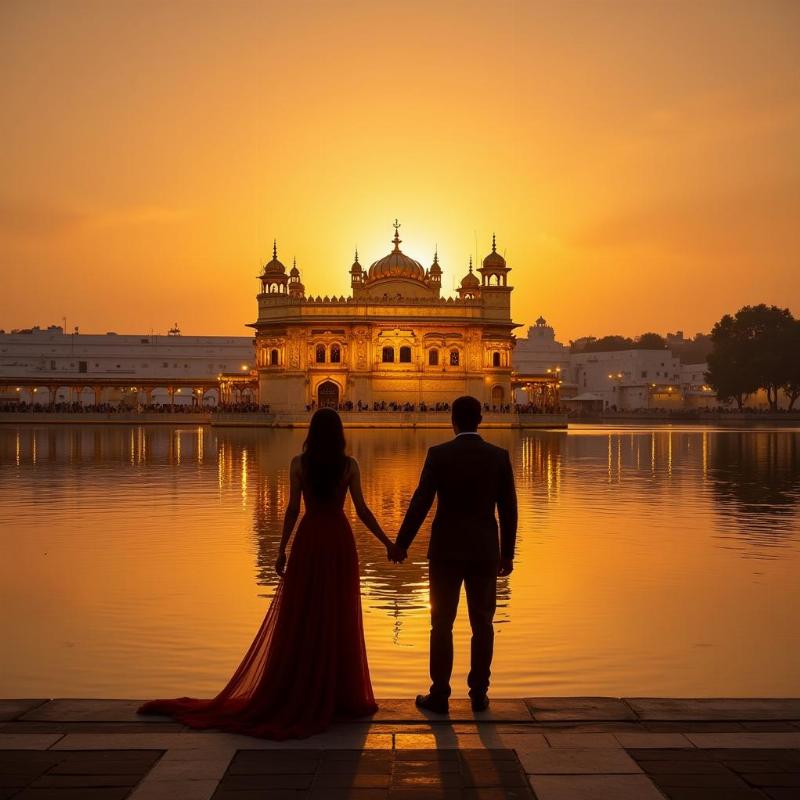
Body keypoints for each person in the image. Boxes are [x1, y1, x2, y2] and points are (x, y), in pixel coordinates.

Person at [138, 408, 396, 739]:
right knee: (337, 612)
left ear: (312, 433)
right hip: (338, 541)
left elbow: (291, 510)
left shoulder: (299, 464)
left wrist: (281, 549)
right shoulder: (349, 466)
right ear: (339, 433)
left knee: (303, 614)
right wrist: (389, 542)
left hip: (309, 537)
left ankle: (300, 688)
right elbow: (361, 510)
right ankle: (338, 694)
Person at [392, 395, 517, 713]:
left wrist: (402, 544)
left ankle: (440, 694)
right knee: (483, 624)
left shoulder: (439, 455)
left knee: (442, 624)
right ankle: (478, 694)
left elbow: (420, 502)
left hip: (446, 551)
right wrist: (507, 554)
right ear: (481, 420)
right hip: (484, 551)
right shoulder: (498, 456)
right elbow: (509, 510)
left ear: (453, 420)